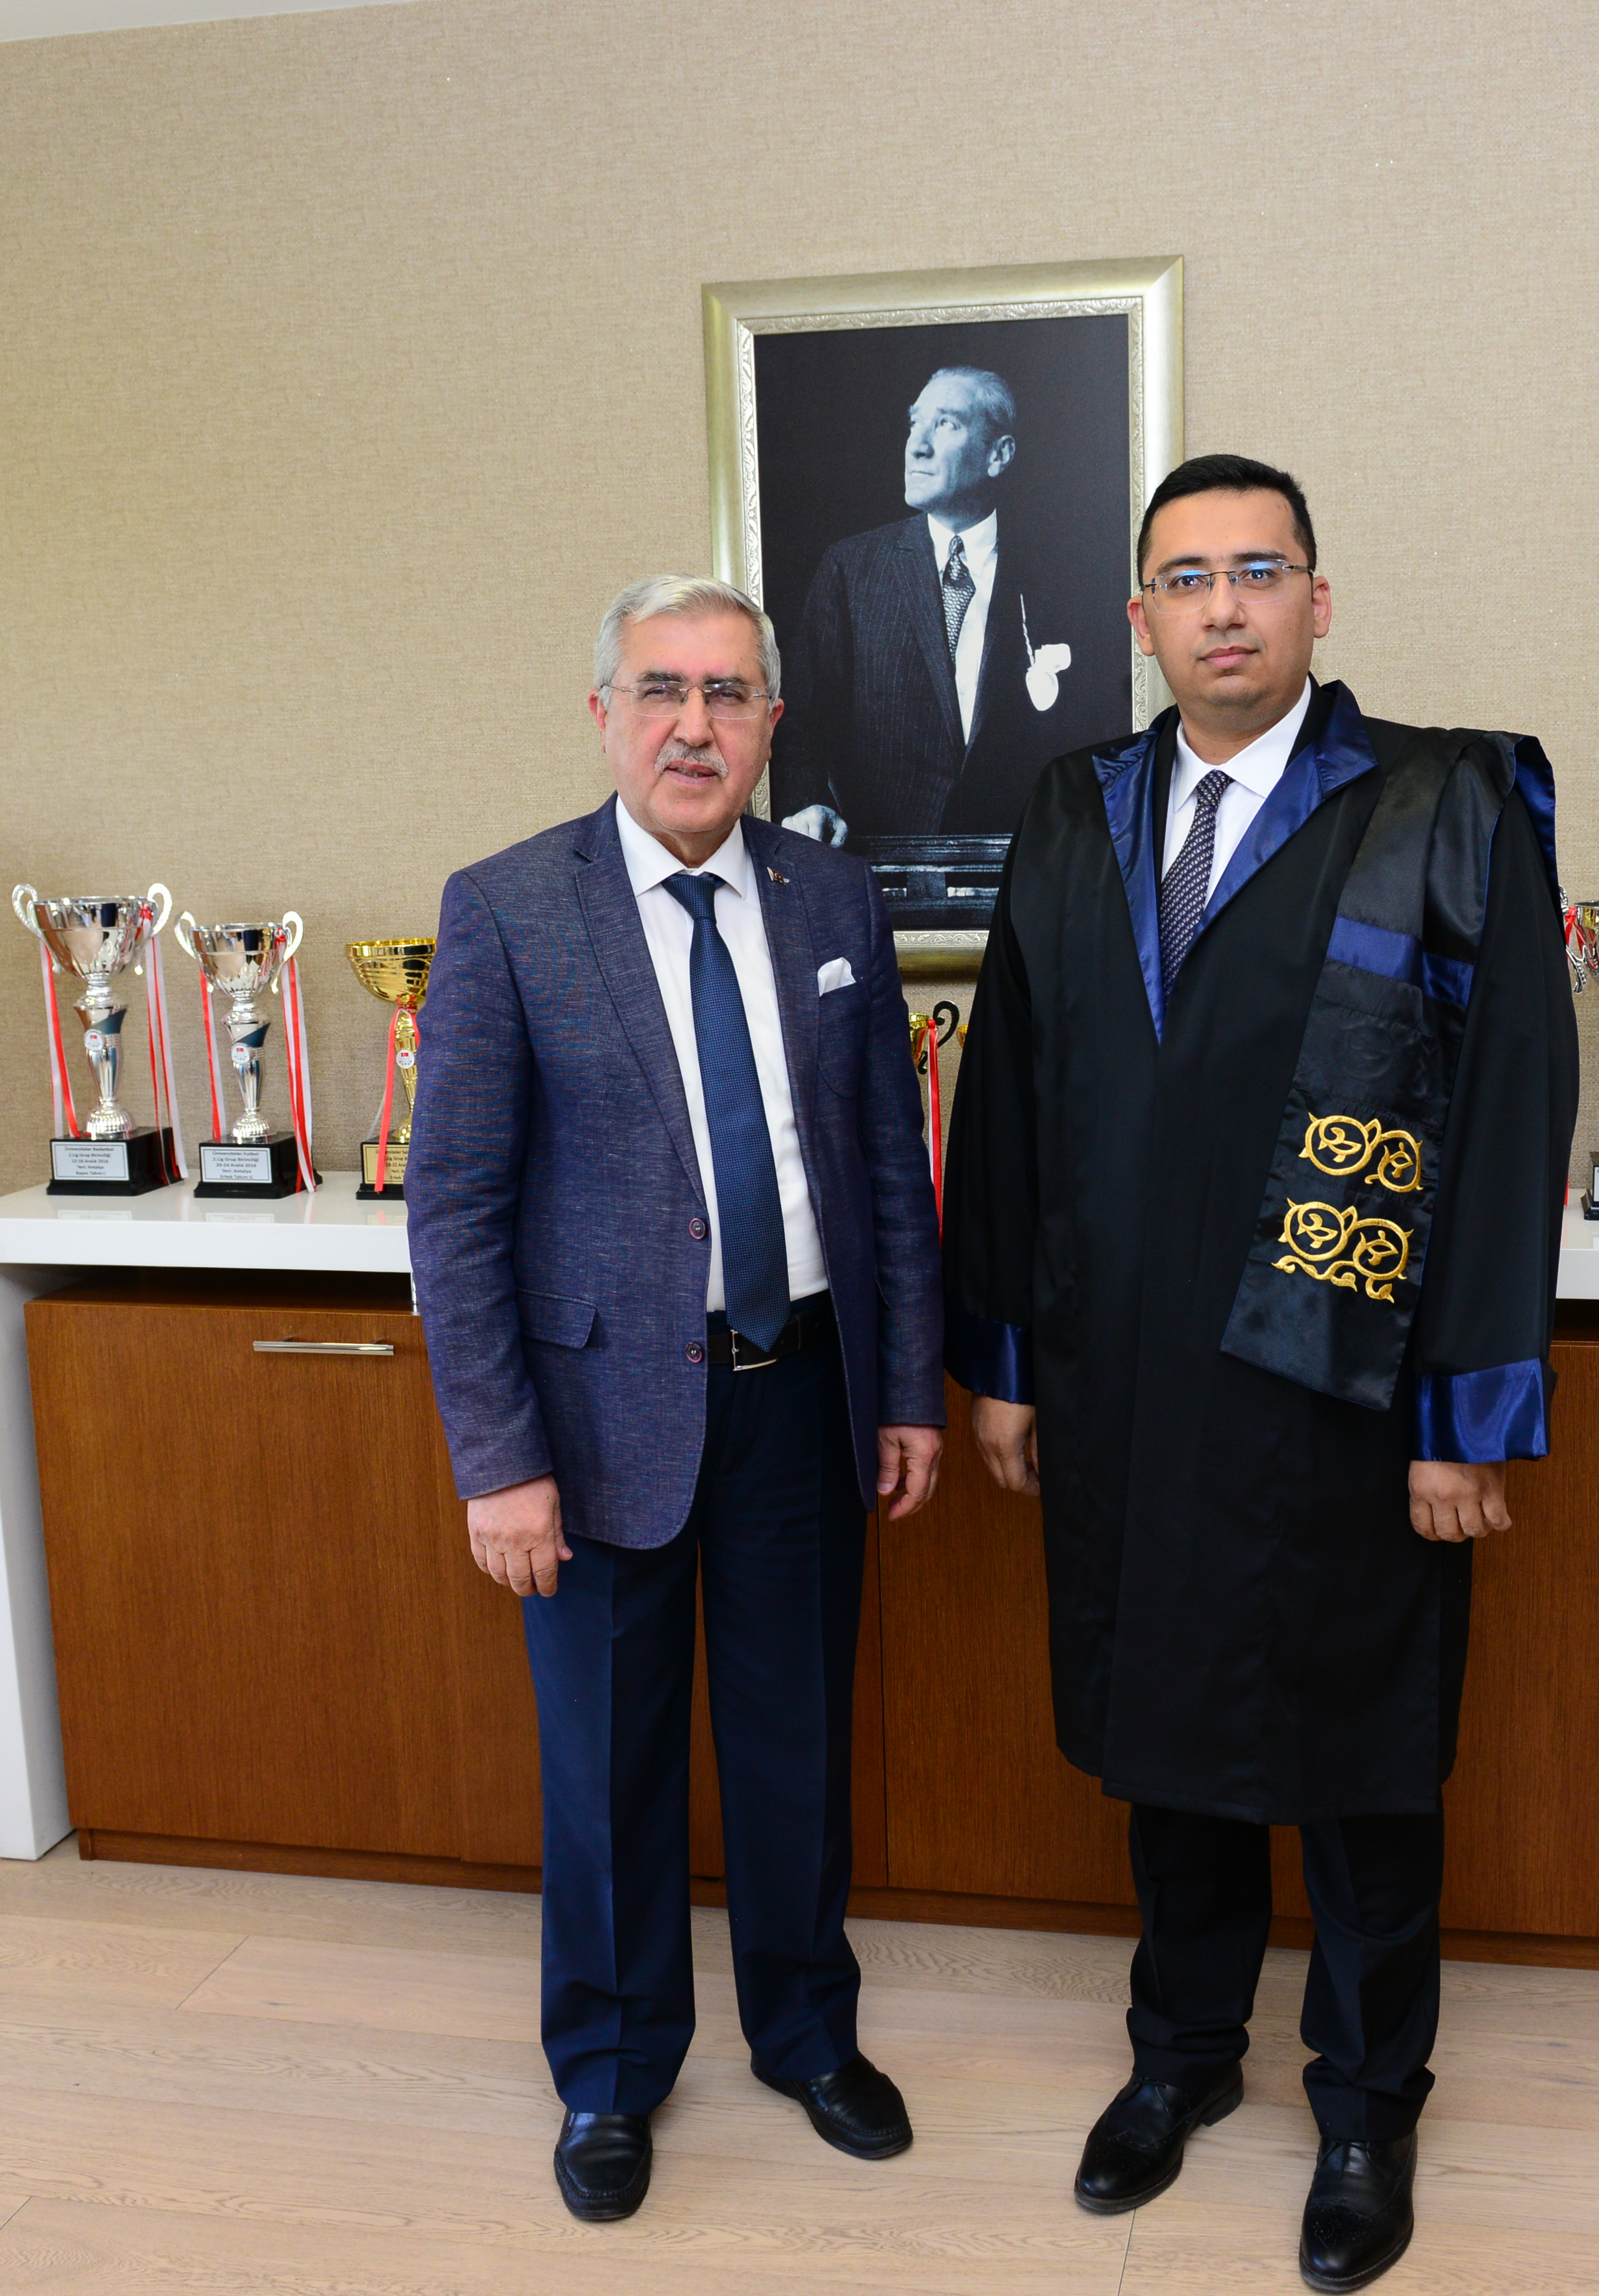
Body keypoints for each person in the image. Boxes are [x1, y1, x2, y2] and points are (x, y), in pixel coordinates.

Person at [940, 455, 1576, 2292]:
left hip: (1343, 1385)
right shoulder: (1073, 806)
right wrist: (1004, 1358)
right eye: (1186, 576)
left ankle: (1366, 2106)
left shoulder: (1439, 803)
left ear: (1317, 599)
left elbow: (1509, 1108)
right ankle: (1182, 2053)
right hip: (1128, 1377)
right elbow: (1011, 1096)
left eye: (1259, 570)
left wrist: (1463, 1411)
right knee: (1172, 1737)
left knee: (1362, 1758)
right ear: (1139, 614)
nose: (1223, 606)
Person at [408, 574, 948, 2224]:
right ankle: (612, 2070)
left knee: (795, 1748)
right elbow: (456, 1208)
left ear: (774, 720)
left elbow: (886, 1165)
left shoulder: (832, 897)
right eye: (662, 690)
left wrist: (907, 1387)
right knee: (608, 1769)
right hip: (594, 1427)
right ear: (604, 716)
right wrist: (499, 1462)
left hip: (803, 1397)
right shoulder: (511, 907)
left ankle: (806, 2036)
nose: (694, 726)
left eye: (727, 693)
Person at [770, 362, 1123, 842]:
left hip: (1026, 862)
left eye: (946, 424)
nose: (917, 445)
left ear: (999, 455)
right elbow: (800, 724)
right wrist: (810, 804)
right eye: (915, 423)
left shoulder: (1064, 576)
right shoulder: (852, 569)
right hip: (881, 864)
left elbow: (1098, 727)